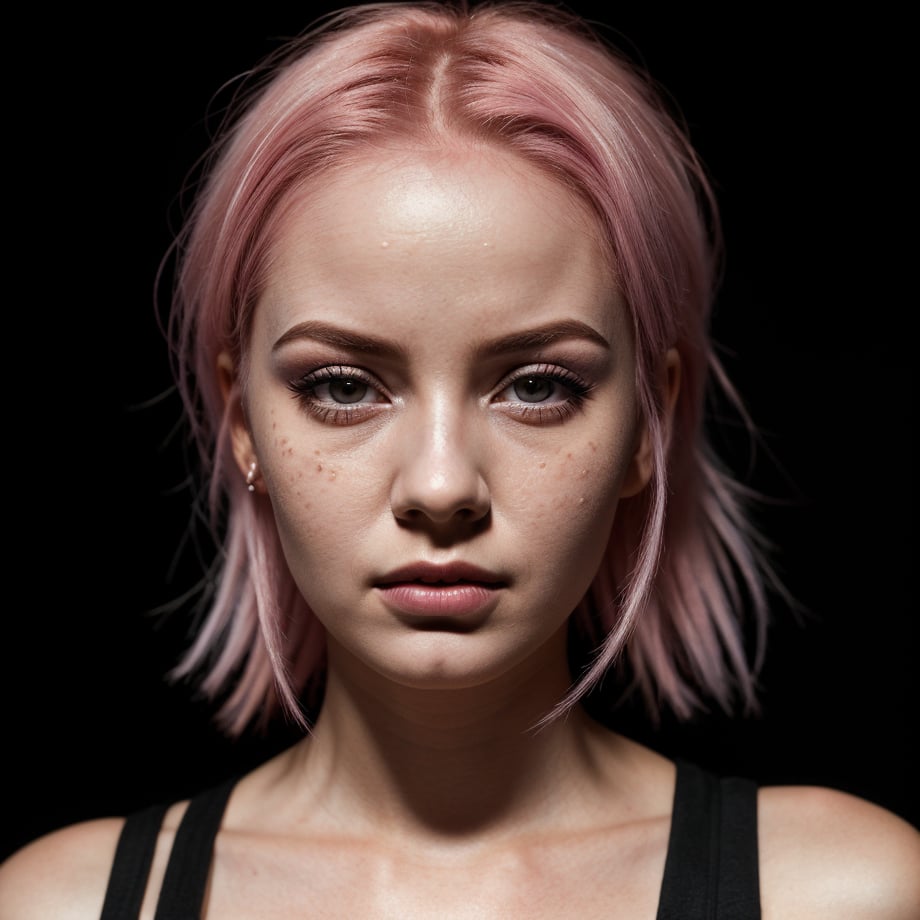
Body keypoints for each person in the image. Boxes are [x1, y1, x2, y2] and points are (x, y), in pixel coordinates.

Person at [2, 1, 917, 916]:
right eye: (345, 386)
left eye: (537, 385)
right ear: (242, 420)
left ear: (649, 421)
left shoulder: (850, 892)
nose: (441, 488)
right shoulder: (52, 905)